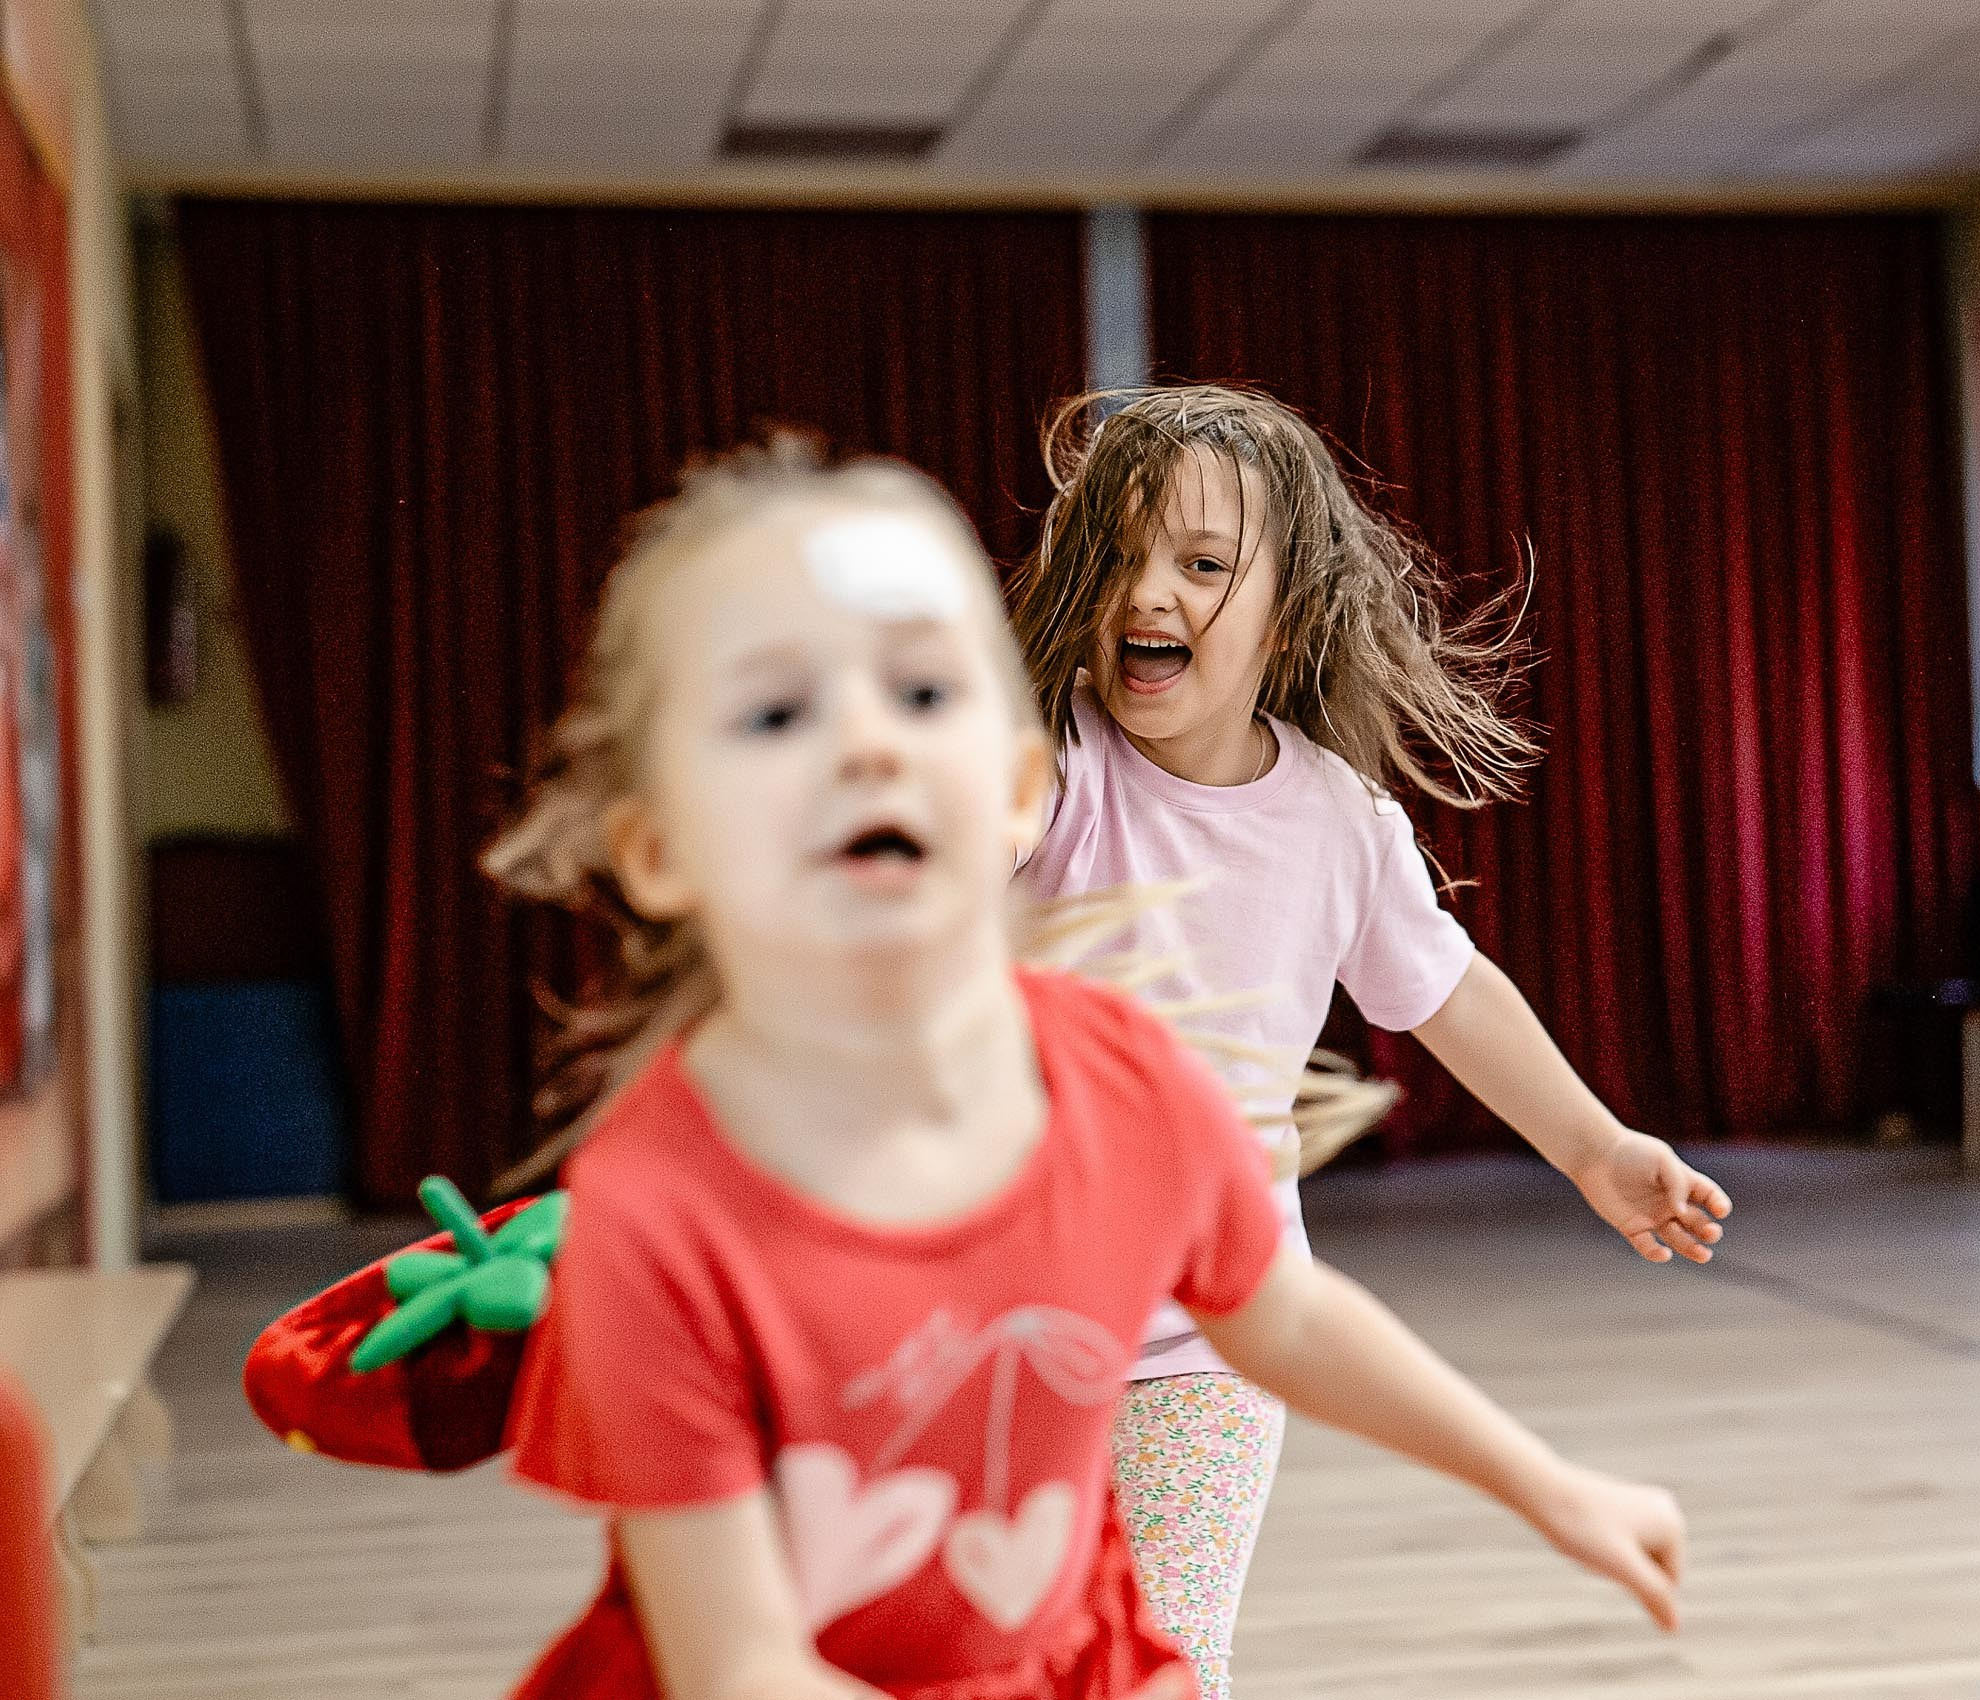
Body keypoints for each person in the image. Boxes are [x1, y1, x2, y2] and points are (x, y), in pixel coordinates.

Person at [482, 439, 1687, 1699]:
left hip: (1186, 1364)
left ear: (992, 778)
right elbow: (738, 1667)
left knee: (1174, 1659)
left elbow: (1289, 1302)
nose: (868, 744)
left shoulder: (1144, 1057)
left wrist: (1546, 1474)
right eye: (780, 712)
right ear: (656, 847)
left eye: (922, 696)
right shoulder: (663, 1217)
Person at [1009, 384, 1734, 1695]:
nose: (1146, 591)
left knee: (1166, 1672)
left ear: (1288, 610)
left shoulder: (1334, 821)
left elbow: (1447, 993)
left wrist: (1592, 1146)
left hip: (1212, 1346)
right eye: (1114, 553)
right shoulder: (1054, 766)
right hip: (995, 1334)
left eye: (1202, 563)